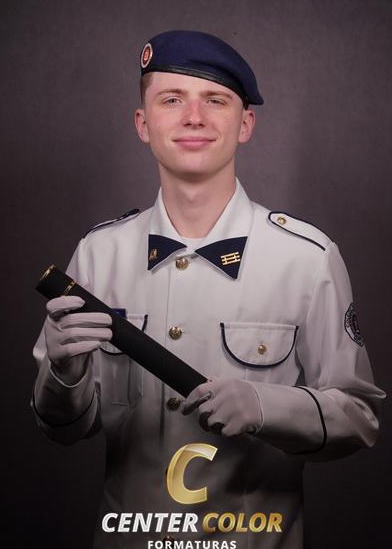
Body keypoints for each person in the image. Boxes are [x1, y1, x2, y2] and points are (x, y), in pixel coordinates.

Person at [31, 30, 385, 549]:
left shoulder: (308, 258)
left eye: (215, 100)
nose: (193, 117)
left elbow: (360, 417)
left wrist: (265, 405)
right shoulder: (97, 254)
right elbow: (63, 429)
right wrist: (63, 375)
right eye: (172, 99)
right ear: (143, 124)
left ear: (245, 124)